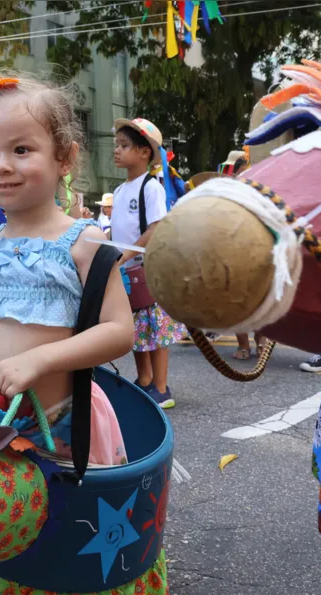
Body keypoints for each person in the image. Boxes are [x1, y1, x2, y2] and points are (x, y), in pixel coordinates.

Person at [0, 75, 133, 465]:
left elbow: (119, 331)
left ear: (65, 157)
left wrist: (39, 360)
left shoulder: (85, 241)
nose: (2, 166)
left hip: (61, 425)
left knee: (66, 521)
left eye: (22, 149)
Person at [110, 118, 185, 408]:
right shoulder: (118, 192)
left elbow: (155, 228)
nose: (117, 150)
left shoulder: (150, 187)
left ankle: (162, 387)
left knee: (156, 329)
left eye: (124, 145)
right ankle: (144, 381)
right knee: (137, 329)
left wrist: (126, 255)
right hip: (126, 272)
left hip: (146, 268)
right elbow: (118, 228)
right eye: (117, 145)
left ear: (144, 152)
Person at [227, 154, 271, 360]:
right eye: (243, 173)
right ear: (235, 174)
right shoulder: (227, 197)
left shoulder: (265, 197)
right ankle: (243, 345)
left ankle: (262, 341)